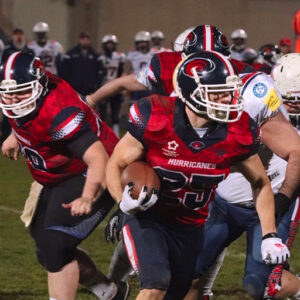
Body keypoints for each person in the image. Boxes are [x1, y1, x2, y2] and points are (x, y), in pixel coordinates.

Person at [105, 51, 289, 300]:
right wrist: (123, 203)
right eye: (219, 93)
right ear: (192, 93)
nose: (229, 99)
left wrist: (269, 234)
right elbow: (116, 163)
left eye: (230, 91)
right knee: (156, 283)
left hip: (191, 226)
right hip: (149, 218)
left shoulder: (238, 131)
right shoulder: (157, 117)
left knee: (176, 293)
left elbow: (260, 182)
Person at [0, 52, 128, 300]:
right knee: (47, 251)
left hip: (92, 170)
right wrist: (15, 135)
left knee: (55, 246)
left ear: (40, 85)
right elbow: (23, 109)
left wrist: (88, 196)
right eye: (8, 93)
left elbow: (97, 158)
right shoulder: (30, 91)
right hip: (59, 174)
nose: (14, 99)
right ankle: (109, 291)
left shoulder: (60, 112)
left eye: (22, 92)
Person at [184, 53, 300, 300]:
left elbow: (296, 155)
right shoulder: (251, 99)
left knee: (262, 285)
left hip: (275, 203)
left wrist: (284, 200)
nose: (293, 106)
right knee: (187, 269)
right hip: (225, 200)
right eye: (288, 100)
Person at [86, 25, 254, 107]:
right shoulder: (239, 69)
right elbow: (122, 82)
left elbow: (122, 82)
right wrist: (91, 100)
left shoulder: (169, 65)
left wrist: (91, 100)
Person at [1, 28, 35, 144]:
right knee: (9, 112)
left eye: (21, 33)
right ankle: (7, 138)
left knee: (27, 111)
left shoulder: (29, 50)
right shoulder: (7, 50)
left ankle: (26, 139)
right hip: (9, 85)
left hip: (25, 85)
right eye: (16, 34)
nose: (19, 36)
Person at [60, 31, 105, 97]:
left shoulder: (95, 56)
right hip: (74, 87)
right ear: (79, 40)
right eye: (83, 39)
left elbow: (99, 72)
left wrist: (96, 86)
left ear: (90, 40)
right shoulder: (70, 54)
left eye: (87, 39)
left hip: (90, 88)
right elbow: (64, 71)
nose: (85, 41)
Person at [98, 34, 126, 137]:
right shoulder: (100, 57)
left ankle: (116, 135)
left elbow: (122, 71)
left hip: (116, 87)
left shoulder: (119, 56)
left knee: (116, 114)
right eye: (108, 44)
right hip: (103, 87)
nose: (110, 46)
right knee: (102, 113)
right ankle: (102, 134)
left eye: (112, 44)